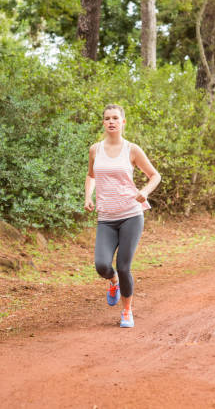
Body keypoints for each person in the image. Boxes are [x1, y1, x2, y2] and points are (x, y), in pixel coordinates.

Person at [84, 104, 161, 328]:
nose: (111, 121)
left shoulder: (132, 149)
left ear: (123, 122)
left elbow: (155, 175)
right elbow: (91, 176)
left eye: (115, 118)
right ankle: (113, 280)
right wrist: (88, 196)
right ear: (103, 122)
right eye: (107, 118)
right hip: (106, 217)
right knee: (101, 265)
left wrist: (144, 191)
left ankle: (126, 311)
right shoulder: (95, 150)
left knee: (124, 265)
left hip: (131, 215)